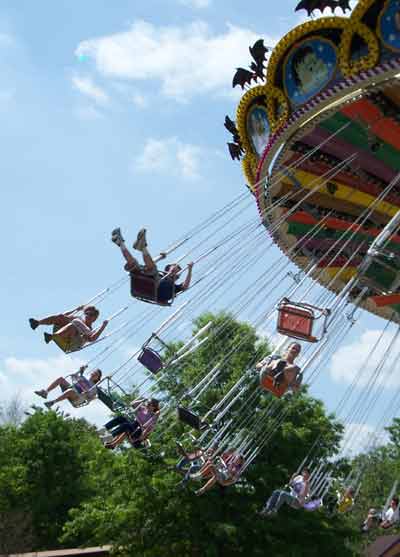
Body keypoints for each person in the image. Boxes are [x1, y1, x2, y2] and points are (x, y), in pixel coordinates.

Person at [111, 227, 193, 305]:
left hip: (154, 291)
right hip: (143, 281)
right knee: (133, 263)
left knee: (152, 269)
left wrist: (189, 270)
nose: (175, 272)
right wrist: (161, 258)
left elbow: (185, 286)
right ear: (167, 269)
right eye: (174, 269)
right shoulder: (160, 275)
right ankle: (121, 243)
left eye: (177, 272)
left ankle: (142, 247)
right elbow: (150, 264)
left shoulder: (174, 287)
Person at [29, 305, 109, 352]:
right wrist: (76, 310)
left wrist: (103, 326)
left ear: (94, 318)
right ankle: (37, 323)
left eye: (90, 314)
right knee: (61, 317)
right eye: (86, 313)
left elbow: (92, 339)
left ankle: (53, 337)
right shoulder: (78, 319)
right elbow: (64, 316)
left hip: (69, 344)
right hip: (63, 335)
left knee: (74, 325)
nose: (87, 316)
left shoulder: (90, 330)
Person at [34, 366, 102, 408]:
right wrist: (80, 371)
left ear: (97, 378)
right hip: (72, 388)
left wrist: (88, 395)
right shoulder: (84, 377)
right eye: (94, 372)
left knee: (71, 391)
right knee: (61, 379)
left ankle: (53, 402)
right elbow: (75, 377)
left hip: (77, 397)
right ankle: (45, 392)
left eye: (96, 374)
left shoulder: (94, 387)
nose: (94, 374)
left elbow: (91, 398)